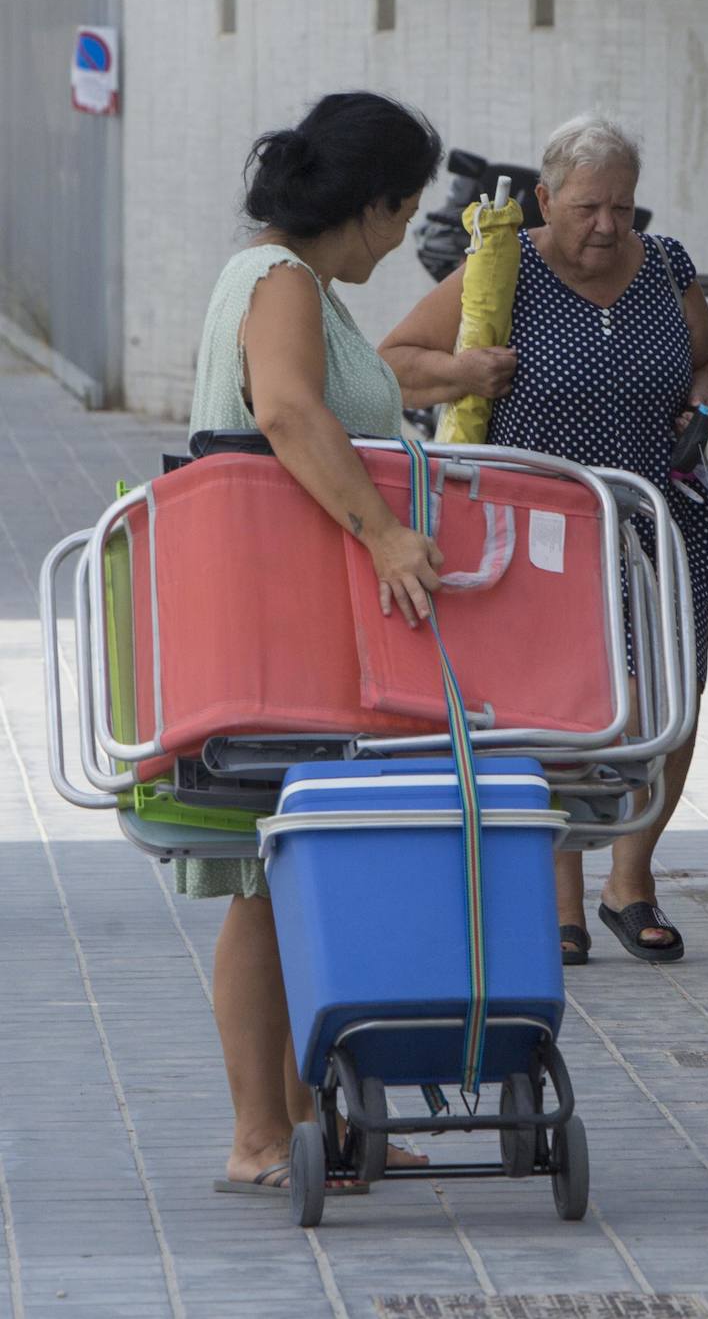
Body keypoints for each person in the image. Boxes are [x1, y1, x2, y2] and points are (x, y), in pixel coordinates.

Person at [380, 114, 708, 966]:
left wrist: (703, 407)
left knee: (670, 700)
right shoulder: (503, 269)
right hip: (546, 529)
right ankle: (561, 902)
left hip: (657, 517)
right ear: (545, 199)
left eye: (621, 207)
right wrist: (465, 373)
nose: (607, 226)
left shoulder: (668, 265)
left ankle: (632, 881)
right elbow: (393, 356)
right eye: (586, 208)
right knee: (566, 708)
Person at [182, 91, 444, 1194]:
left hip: (299, 617)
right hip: (272, 618)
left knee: (290, 865)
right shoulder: (282, 281)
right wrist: (386, 533)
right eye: (405, 212)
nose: (404, 236)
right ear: (373, 205)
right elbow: (287, 412)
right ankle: (258, 1137)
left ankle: (303, 1120)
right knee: (260, 870)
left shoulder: (298, 281)